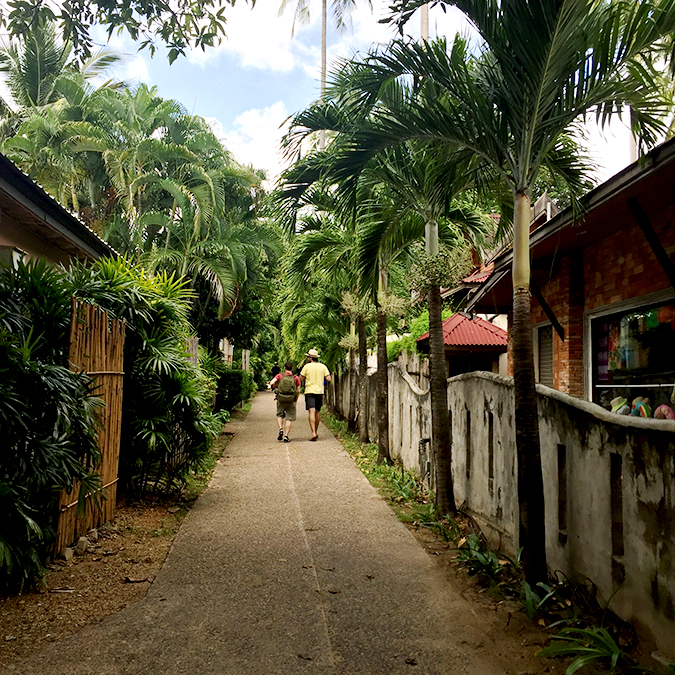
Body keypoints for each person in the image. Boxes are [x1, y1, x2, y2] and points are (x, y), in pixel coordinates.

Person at [300, 348, 331, 441]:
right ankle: (316, 432)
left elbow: (300, 378)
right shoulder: (323, 366)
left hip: (309, 391)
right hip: (319, 391)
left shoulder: (306, 367)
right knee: (317, 412)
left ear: (310, 358)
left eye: (308, 357)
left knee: (311, 411)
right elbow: (329, 378)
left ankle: (313, 432)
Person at [268, 361, 301, 442]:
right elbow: (298, 390)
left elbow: (271, 382)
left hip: (281, 398)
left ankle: (280, 429)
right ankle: (286, 436)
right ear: (292, 368)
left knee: (280, 415)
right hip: (290, 399)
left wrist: (275, 388)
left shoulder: (280, 376)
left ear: (284, 368)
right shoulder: (295, 378)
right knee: (289, 418)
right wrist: (295, 400)